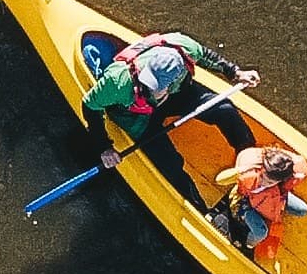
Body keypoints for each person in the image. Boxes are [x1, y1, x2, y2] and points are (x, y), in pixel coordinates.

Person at [81, 31, 262, 192]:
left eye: (155, 87)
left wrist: (236, 73)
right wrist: (104, 147)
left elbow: (206, 55)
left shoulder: (183, 46)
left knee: (224, 109)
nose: (148, 88)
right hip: (136, 116)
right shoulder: (117, 82)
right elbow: (90, 105)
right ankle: (196, 203)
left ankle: (252, 161)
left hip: (175, 95)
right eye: (147, 81)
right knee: (170, 162)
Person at [207, 145, 307, 265]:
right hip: (245, 202)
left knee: (303, 209)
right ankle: (247, 244)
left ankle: (267, 213)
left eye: (270, 182)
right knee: (260, 232)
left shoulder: (282, 175)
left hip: (272, 197)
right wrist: (242, 170)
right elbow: (219, 180)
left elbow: (293, 163)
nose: (264, 182)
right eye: (263, 177)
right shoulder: (250, 173)